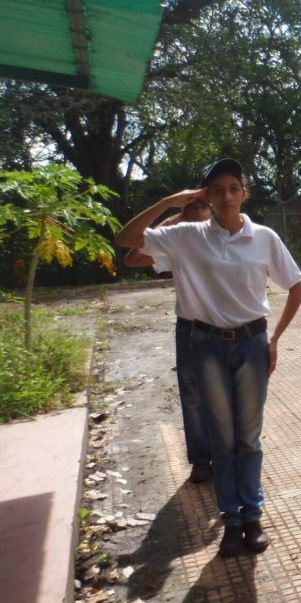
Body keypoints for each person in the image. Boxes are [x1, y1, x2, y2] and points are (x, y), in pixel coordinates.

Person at [114, 158, 301, 557]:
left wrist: (275, 340)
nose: (225, 197)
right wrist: (168, 202)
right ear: (205, 195)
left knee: (248, 437)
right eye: (215, 190)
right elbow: (125, 240)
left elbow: (296, 287)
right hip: (207, 346)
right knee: (221, 438)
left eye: (233, 188)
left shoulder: (264, 237)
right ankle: (231, 522)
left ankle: (252, 516)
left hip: (252, 344)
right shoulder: (185, 236)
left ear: (245, 192)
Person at [123, 199, 214, 483]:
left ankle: (229, 456)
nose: (198, 214)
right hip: (190, 327)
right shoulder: (179, 245)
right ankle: (200, 460)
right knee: (193, 397)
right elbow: (133, 258)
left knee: (228, 395)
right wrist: (172, 220)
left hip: (227, 327)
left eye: (204, 208)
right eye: (192, 210)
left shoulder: (226, 239)